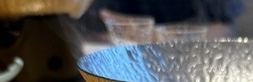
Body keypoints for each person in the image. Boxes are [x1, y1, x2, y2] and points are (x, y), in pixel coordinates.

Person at [80, 0, 244, 40]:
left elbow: (226, 29)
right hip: (117, 76)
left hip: (192, 72)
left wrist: (157, 37)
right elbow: (87, 32)